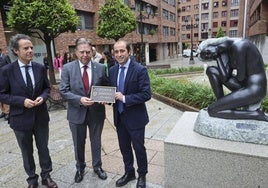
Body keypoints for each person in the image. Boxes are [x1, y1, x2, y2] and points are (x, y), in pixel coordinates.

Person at [0, 34, 57, 188]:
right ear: (16, 51)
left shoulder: (39, 68)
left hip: (40, 117)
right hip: (20, 118)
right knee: (26, 151)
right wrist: (21, 101)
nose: (30, 50)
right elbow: (2, 94)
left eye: (31, 47)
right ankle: (32, 179)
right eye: (26, 48)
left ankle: (46, 175)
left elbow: (47, 88)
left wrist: (43, 97)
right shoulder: (7, 70)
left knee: (43, 148)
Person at [59, 38, 108, 183]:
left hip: (96, 113)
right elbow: (63, 91)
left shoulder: (99, 67)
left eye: (88, 52)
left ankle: (97, 166)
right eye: (82, 52)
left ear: (92, 52)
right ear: (76, 52)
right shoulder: (68, 68)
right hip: (76, 113)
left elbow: (106, 86)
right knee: (78, 143)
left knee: (96, 141)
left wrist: (106, 97)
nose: (85, 55)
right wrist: (79, 100)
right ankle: (80, 168)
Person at [108, 40, 151, 188]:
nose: (119, 54)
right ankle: (129, 172)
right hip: (119, 118)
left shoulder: (140, 69)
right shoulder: (112, 70)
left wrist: (125, 98)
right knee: (124, 147)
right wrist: (106, 99)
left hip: (136, 119)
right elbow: (112, 93)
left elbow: (146, 94)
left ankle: (142, 175)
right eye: (116, 51)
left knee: (139, 148)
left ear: (129, 51)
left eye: (122, 51)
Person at [198, 37, 268, 121]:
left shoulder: (239, 45)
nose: (209, 56)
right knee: (211, 70)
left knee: (212, 110)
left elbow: (240, 77)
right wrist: (218, 58)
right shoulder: (227, 50)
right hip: (244, 85)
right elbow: (225, 77)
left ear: (210, 44)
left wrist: (223, 61)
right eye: (207, 57)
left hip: (255, 89)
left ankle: (255, 114)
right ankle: (221, 104)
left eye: (206, 52)